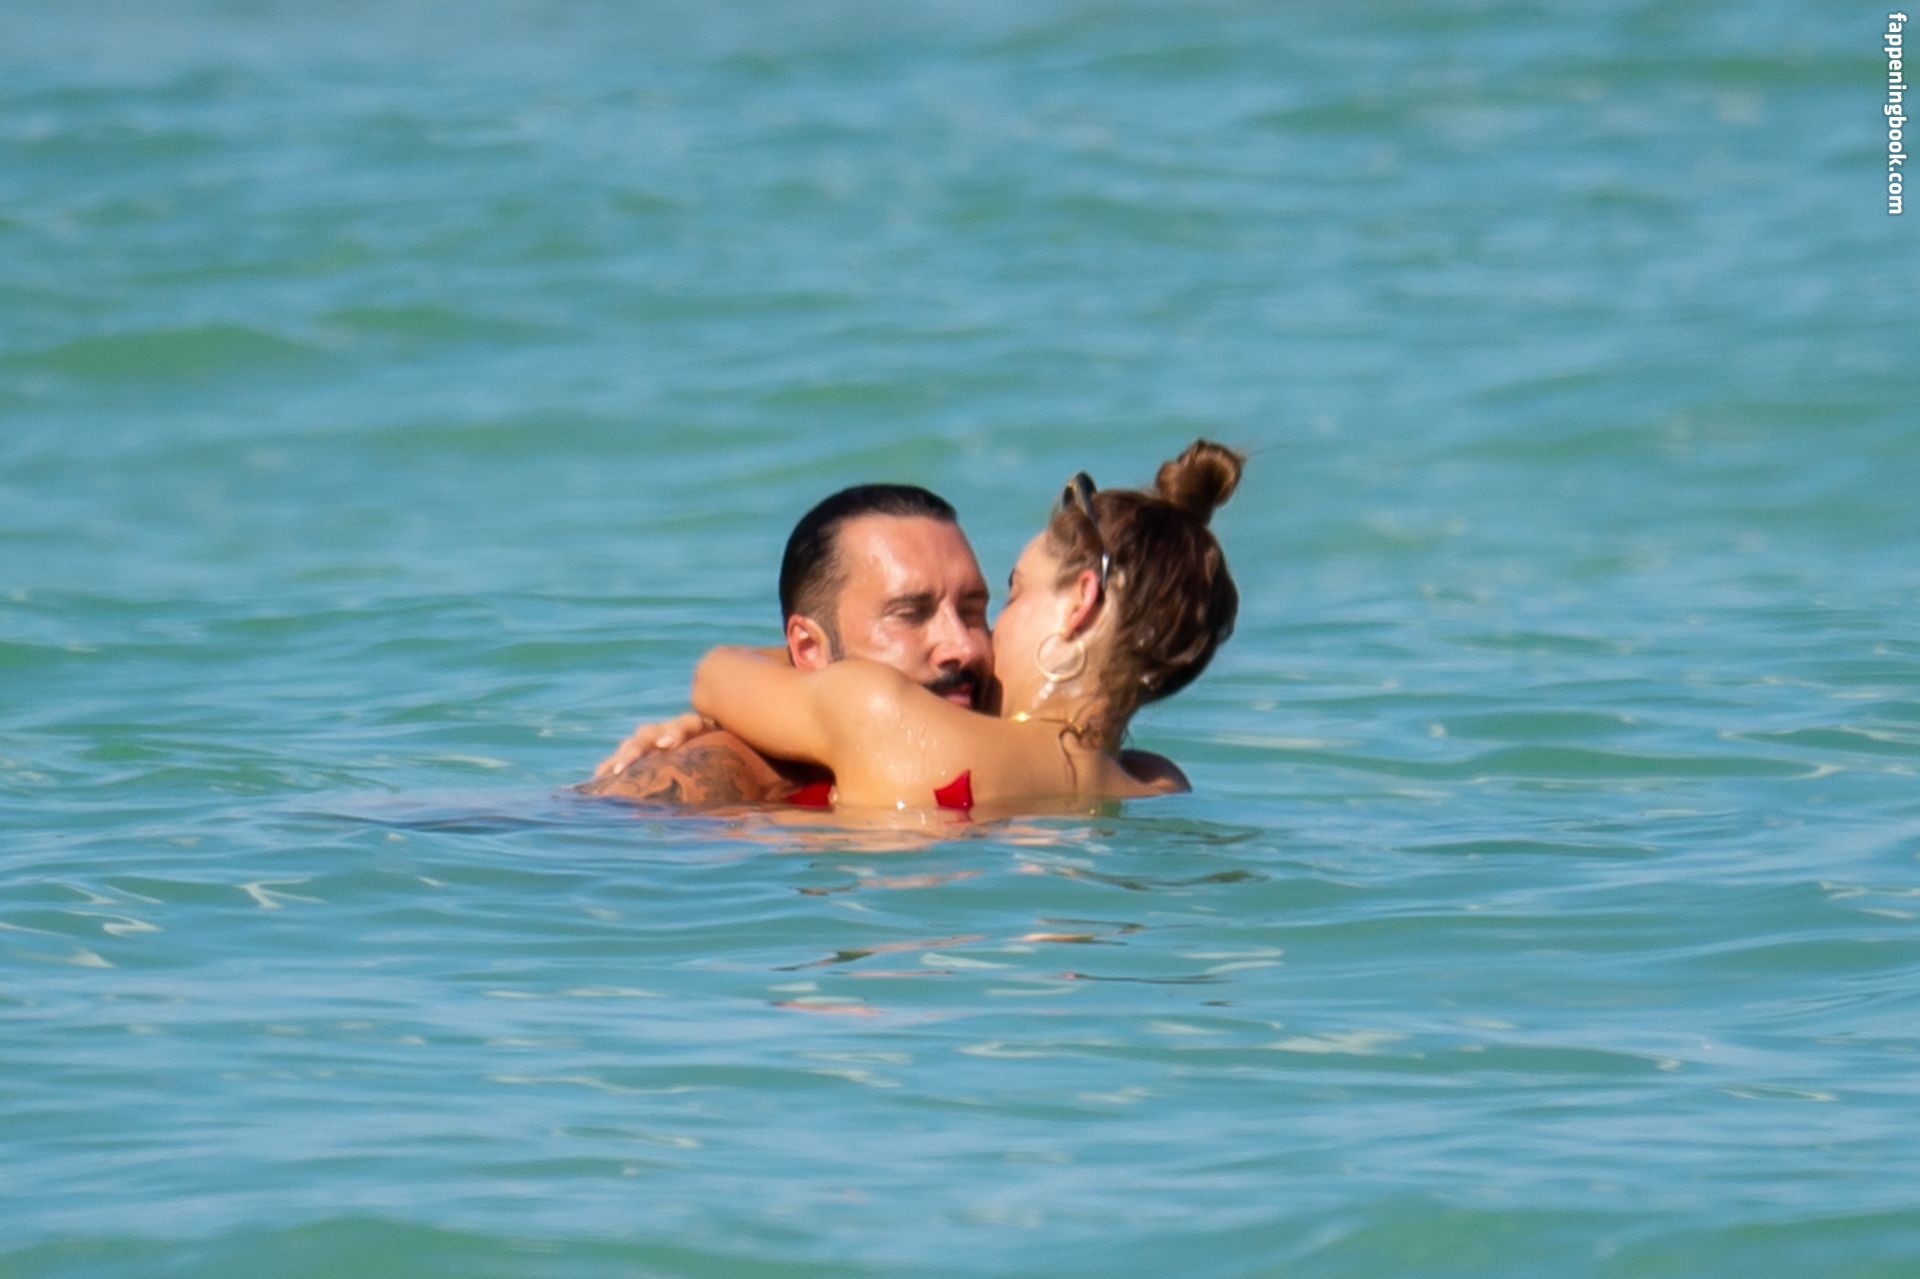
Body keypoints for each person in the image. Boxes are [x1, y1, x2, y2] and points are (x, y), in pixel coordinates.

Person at [687, 440, 1241, 812]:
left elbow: (715, 674)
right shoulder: (1159, 784)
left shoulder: (880, 709)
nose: (975, 642)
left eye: (1012, 594)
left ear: (1081, 603)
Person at [579, 483, 995, 805]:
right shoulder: (733, 775)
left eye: (973, 611)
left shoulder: (1012, 725)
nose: (963, 647)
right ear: (810, 648)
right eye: (911, 614)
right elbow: (576, 838)